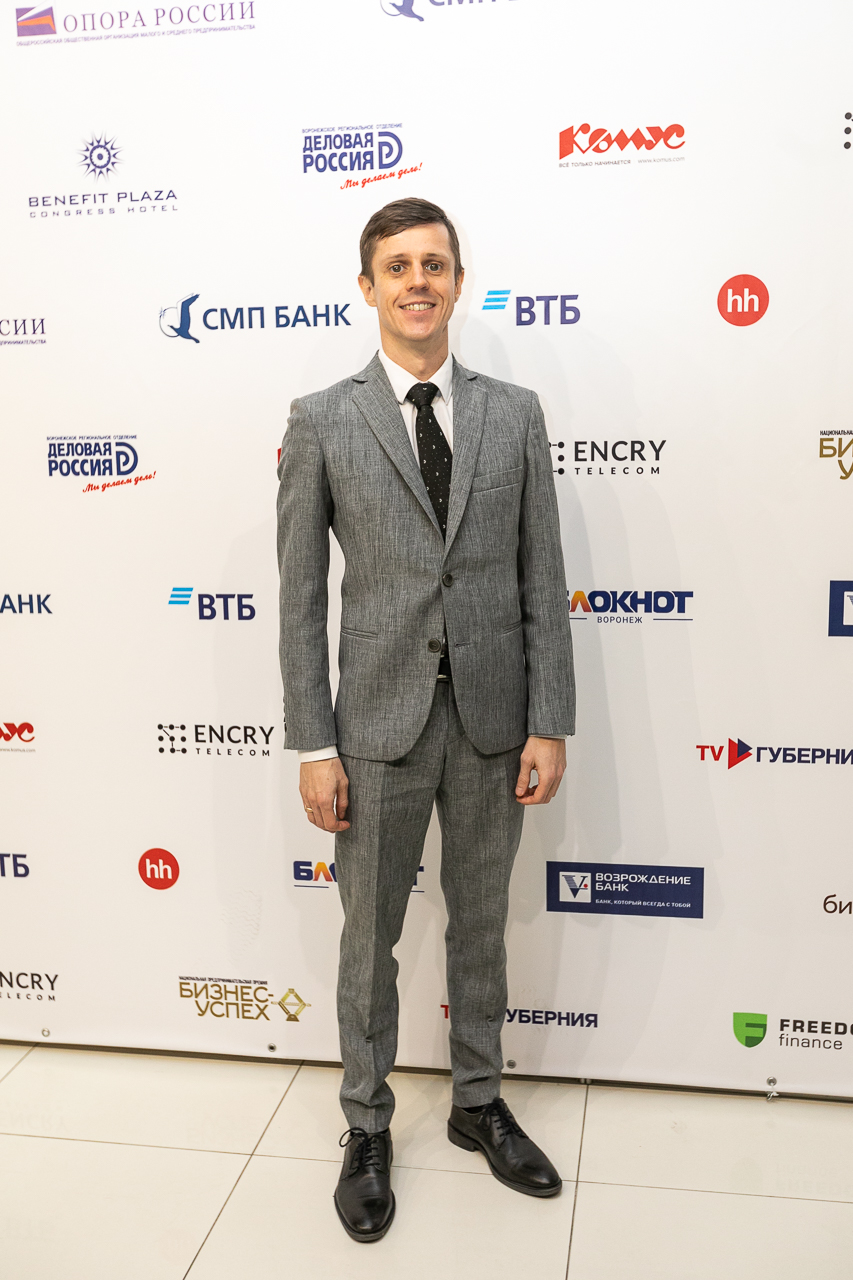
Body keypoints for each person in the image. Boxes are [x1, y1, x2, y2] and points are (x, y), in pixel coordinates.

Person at [276, 197, 575, 1243]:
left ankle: (478, 1101)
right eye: (397, 266)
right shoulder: (322, 418)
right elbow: (300, 600)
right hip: (374, 728)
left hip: (495, 722)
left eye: (434, 263)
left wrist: (549, 719)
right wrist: (314, 743)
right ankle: (366, 1124)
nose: (417, 281)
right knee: (370, 941)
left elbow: (542, 578)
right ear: (368, 287)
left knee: (481, 924)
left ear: (457, 281)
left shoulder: (514, 413)